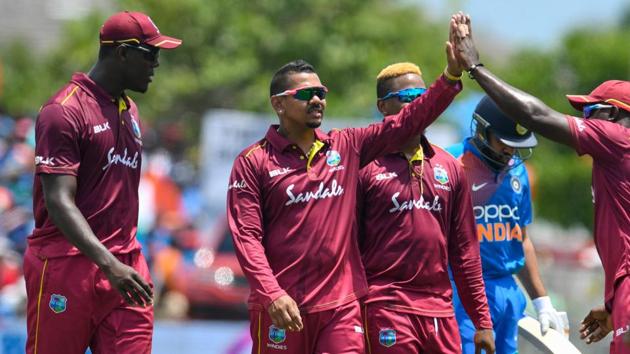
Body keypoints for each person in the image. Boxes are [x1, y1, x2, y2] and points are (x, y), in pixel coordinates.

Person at [226, 19, 464, 354]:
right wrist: (271, 293)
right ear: (279, 103)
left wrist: (450, 77)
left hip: (341, 307)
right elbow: (246, 238)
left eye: (321, 93)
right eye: (306, 94)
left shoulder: (346, 146)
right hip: (281, 307)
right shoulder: (253, 161)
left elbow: (407, 121)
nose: (317, 100)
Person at [451, 12, 630, 354]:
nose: (584, 121)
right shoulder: (454, 162)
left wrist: (475, 67)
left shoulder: (619, 138)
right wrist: (611, 306)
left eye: (591, 113)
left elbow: (536, 115)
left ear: (615, 115)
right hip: (468, 294)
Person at [24, 11, 181, 354]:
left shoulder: (130, 110)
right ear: (122, 52)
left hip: (126, 266)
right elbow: (59, 201)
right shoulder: (62, 111)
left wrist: (117, 264)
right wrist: (107, 263)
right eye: (150, 54)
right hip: (67, 264)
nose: (156, 65)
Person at [357, 62, 495, 354]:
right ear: (383, 106)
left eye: (423, 95)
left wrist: (482, 321)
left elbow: (465, 252)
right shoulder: (364, 165)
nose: (420, 103)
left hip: (440, 312)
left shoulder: (449, 167)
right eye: (409, 97)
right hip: (386, 307)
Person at [447, 95, 565, 353]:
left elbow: (520, 238)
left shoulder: (518, 171)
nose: (510, 150)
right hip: (464, 291)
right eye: (504, 142)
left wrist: (541, 300)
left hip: (509, 291)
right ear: (482, 131)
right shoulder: (450, 164)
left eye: (516, 144)